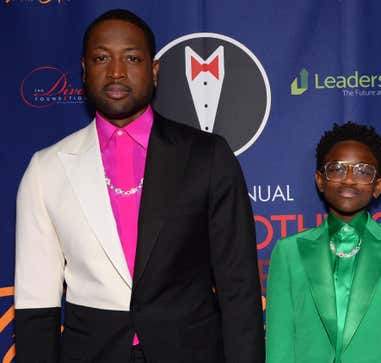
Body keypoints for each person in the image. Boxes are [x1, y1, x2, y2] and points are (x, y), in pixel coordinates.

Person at [14, 9, 264, 363]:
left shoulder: (207, 156)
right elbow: (36, 304)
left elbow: (238, 288)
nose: (116, 71)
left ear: (154, 71)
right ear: (85, 71)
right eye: (102, 58)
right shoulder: (46, 168)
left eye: (132, 58)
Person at [265, 122, 381, 363]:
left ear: (378, 185)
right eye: (337, 169)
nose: (349, 180)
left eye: (362, 171)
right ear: (320, 180)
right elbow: (279, 346)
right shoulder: (288, 252)